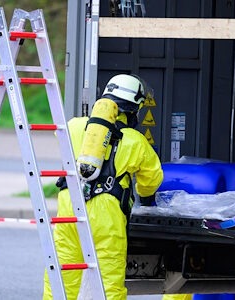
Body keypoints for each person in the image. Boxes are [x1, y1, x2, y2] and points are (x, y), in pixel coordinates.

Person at [43, 74, 164, 300]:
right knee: (109, 286)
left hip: (70, 208)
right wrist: (146, 200)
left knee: (60, 280)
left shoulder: (74, 126)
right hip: (107, 217)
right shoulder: (136, 140)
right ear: (133, 109)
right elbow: (152, 179)